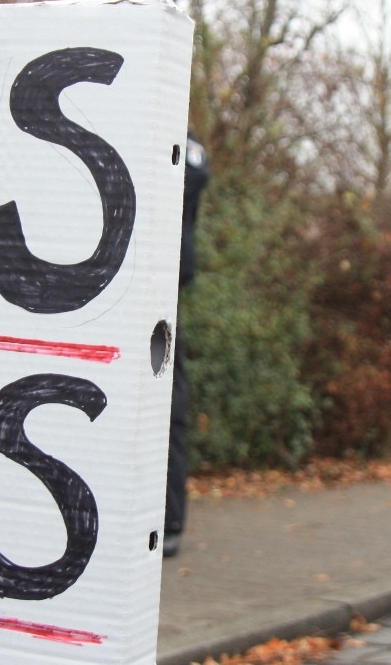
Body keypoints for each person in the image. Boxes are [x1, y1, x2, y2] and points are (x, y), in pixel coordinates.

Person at [163, 130, 210, 558]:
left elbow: (191, 178)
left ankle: (169, 519)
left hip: (163, 275)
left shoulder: (185, 141)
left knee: (168, 395)